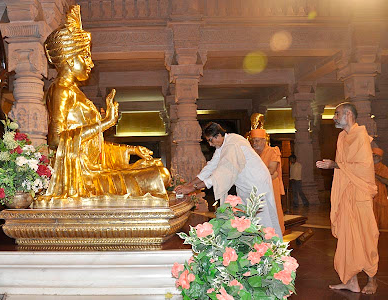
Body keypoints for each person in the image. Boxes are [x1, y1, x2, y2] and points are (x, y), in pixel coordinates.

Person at [40, 5, 170, 205]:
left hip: (94, 170)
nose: (90, 63)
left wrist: (132, 149)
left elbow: (94, 147)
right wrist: (104, 123)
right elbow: (57, 141)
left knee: (157, 170)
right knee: (158, 176)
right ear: (68, 59)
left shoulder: (77, 93)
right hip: (81, 179)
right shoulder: (61, 90)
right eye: (85, 56)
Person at [175, 122, 282, 238]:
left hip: (257, 185)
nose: (210, 144)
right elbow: (211, 166)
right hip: (245, 186)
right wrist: (189, 184)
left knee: (263, 220)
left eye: (210, 140)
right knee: (247, 220)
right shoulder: (224, 144)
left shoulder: (232, 144)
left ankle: (271, 249)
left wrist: (191, 188)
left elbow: (220, 174)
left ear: (218, 136)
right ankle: (253, 250)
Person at [316, 102, 379, 294]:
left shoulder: (360, 136)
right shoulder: (342, 137)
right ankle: (351, 281)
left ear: (348, 114)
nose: (334, 118)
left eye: (337, 114)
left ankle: (372, 280)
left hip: (360, 194)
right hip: (346, 193)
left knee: (367, 236)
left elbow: (363, 167)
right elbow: (344, 164)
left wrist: (334, 165)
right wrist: (335, 165)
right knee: (346, 238)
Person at [250, 128, 285, 234]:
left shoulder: (273, 151)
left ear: (264, 141)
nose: (255, 143)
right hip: (256, 186)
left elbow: (271, 170)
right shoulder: (251, 153)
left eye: (257, 140)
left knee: (273, 209)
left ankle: (276, 234)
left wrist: (254, 174)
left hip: (270, 186)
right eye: (253, 141)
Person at [372, 147, 388, 229]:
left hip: (381, 197)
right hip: (370, 198)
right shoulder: (367, 167)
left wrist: (375, 176)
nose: (373, 157)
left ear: (380, 158)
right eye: (372, 155)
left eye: (376, 156)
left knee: (383, 223)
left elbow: (387, 181)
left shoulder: (384, 168)